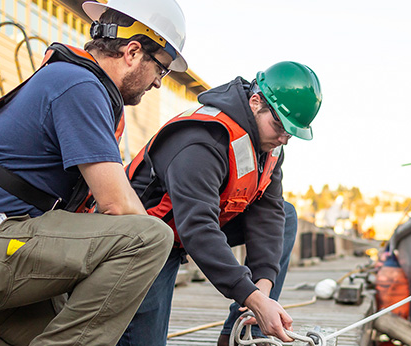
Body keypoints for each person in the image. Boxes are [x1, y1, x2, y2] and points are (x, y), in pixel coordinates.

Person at [0, 0, 188, 345]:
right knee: (151, 237)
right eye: (160, 69)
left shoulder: (71, 80)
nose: (159, 84)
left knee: (65, 330)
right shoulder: (80, 86)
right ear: (132, 52)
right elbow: (119, 206)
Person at [117, 61, 322, 346]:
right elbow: (198, 228)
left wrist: (262, 288)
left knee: (286, 215)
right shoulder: (202, 140)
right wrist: (249, 294)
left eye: (290, 133)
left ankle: (240, 334)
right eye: (279, 126)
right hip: (146, 238)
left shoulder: (271, 145)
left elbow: (269, 212)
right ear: (255, 102)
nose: (283, 139)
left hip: (187, 228)